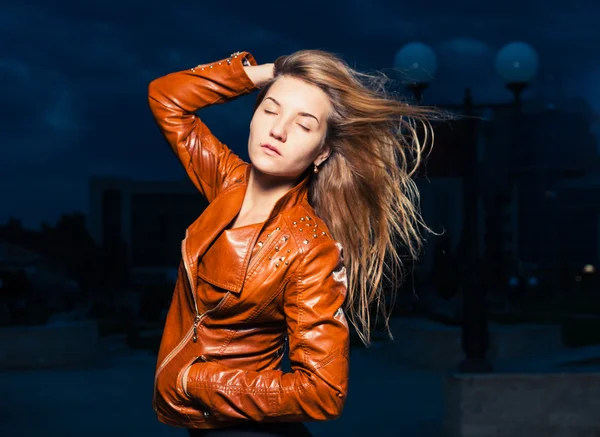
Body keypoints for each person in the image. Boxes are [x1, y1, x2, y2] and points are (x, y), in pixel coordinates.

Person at [148, 49, 437, 436]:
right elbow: (167, 98)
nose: (278, 130)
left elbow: (324, 391)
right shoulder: (227, 183)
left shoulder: (310, 249)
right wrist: (267, 72)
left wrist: (195, 382)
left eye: (304, 124)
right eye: (270, 110)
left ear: (322, 151)